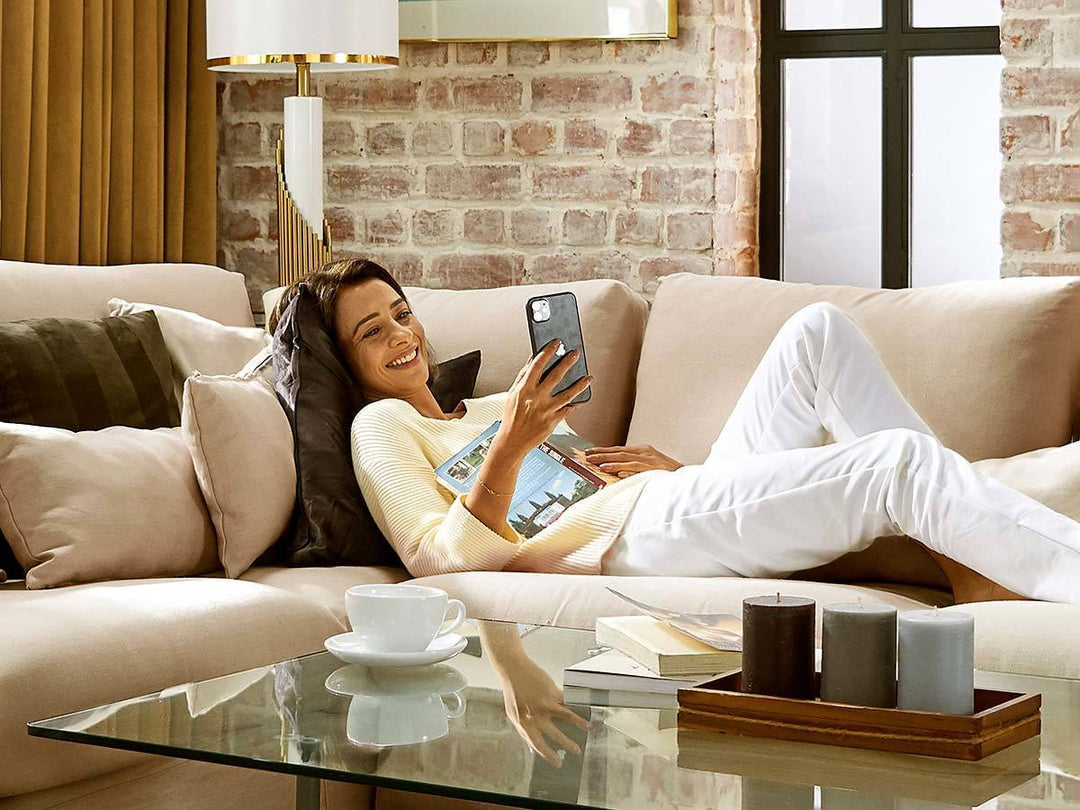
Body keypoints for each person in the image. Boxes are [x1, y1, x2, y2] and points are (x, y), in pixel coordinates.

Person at [271, 258, 1080, 605]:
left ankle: (963, 562)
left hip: (664, 503)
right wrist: (517, 441)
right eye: (372, 331)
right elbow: (437, 561)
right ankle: (998, 564)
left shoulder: (482, 408)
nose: (401, 335)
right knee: (895, 461)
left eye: (401, 313)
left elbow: (589, 489)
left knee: (819, 332)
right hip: (633, 543)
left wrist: (677, 469)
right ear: (347, 362)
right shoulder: (381, 426)